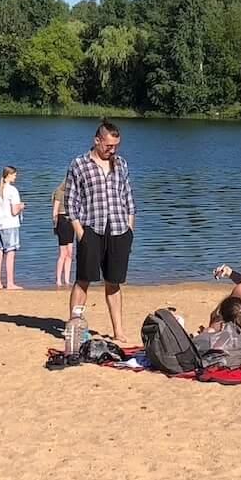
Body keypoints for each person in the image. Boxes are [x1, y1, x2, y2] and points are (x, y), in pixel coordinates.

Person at [66, 120, 137, 343]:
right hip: (91, 228)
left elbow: (128, 197)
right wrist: (80, 233)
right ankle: (75, 326)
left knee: (114, 282)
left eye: (116, 145)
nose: (112, 150)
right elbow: (71, 202)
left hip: (118, 228)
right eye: (108, 145)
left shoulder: (121, 164)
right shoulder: (79, 164)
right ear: (97, 141)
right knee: (83, 279)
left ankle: (118, 330)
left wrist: (130, 228)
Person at [0, 166, 24, 290]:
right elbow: (14, 211)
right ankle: (10, 283)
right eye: (15, 175)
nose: (16, 177)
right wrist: (21, 206)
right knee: (10, 253)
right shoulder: (12, 190)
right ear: (9, 175)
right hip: (10, 225)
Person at [50, 177, 74, 287]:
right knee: (63, 252)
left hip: (71, 221)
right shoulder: (59, 192)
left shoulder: (73, 193)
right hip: (62, 221)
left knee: (70, 252)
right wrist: (55, 226)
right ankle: (58, 279)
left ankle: (67, 279)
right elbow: (55, 211)